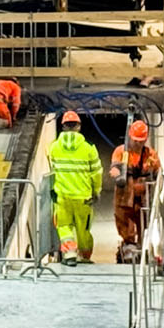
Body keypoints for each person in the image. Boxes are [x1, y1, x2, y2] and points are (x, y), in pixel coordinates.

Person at [47, 109, 103, 265]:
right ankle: (85, 256)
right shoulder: (89, 148)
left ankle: (70, 253)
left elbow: (54, 169)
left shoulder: (54, 147)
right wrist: (96, 191)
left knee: (64, 226)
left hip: (62, 196)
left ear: (63, 126)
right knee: (83, 229)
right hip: (83, 197)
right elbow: (96, 173)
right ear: (79, 126)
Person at [108, 120, 162, 262]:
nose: (138, 144)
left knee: (144, 224)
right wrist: (116, 173)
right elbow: (114, 167)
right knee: (125, 224)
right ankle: (128, 246)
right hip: (125, 198)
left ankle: (143, 247)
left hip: (144, 198)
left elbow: (158, 173)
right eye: (135, 140)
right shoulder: (121, 152)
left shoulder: (150, 155)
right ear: (130, 137)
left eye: (141, 141)